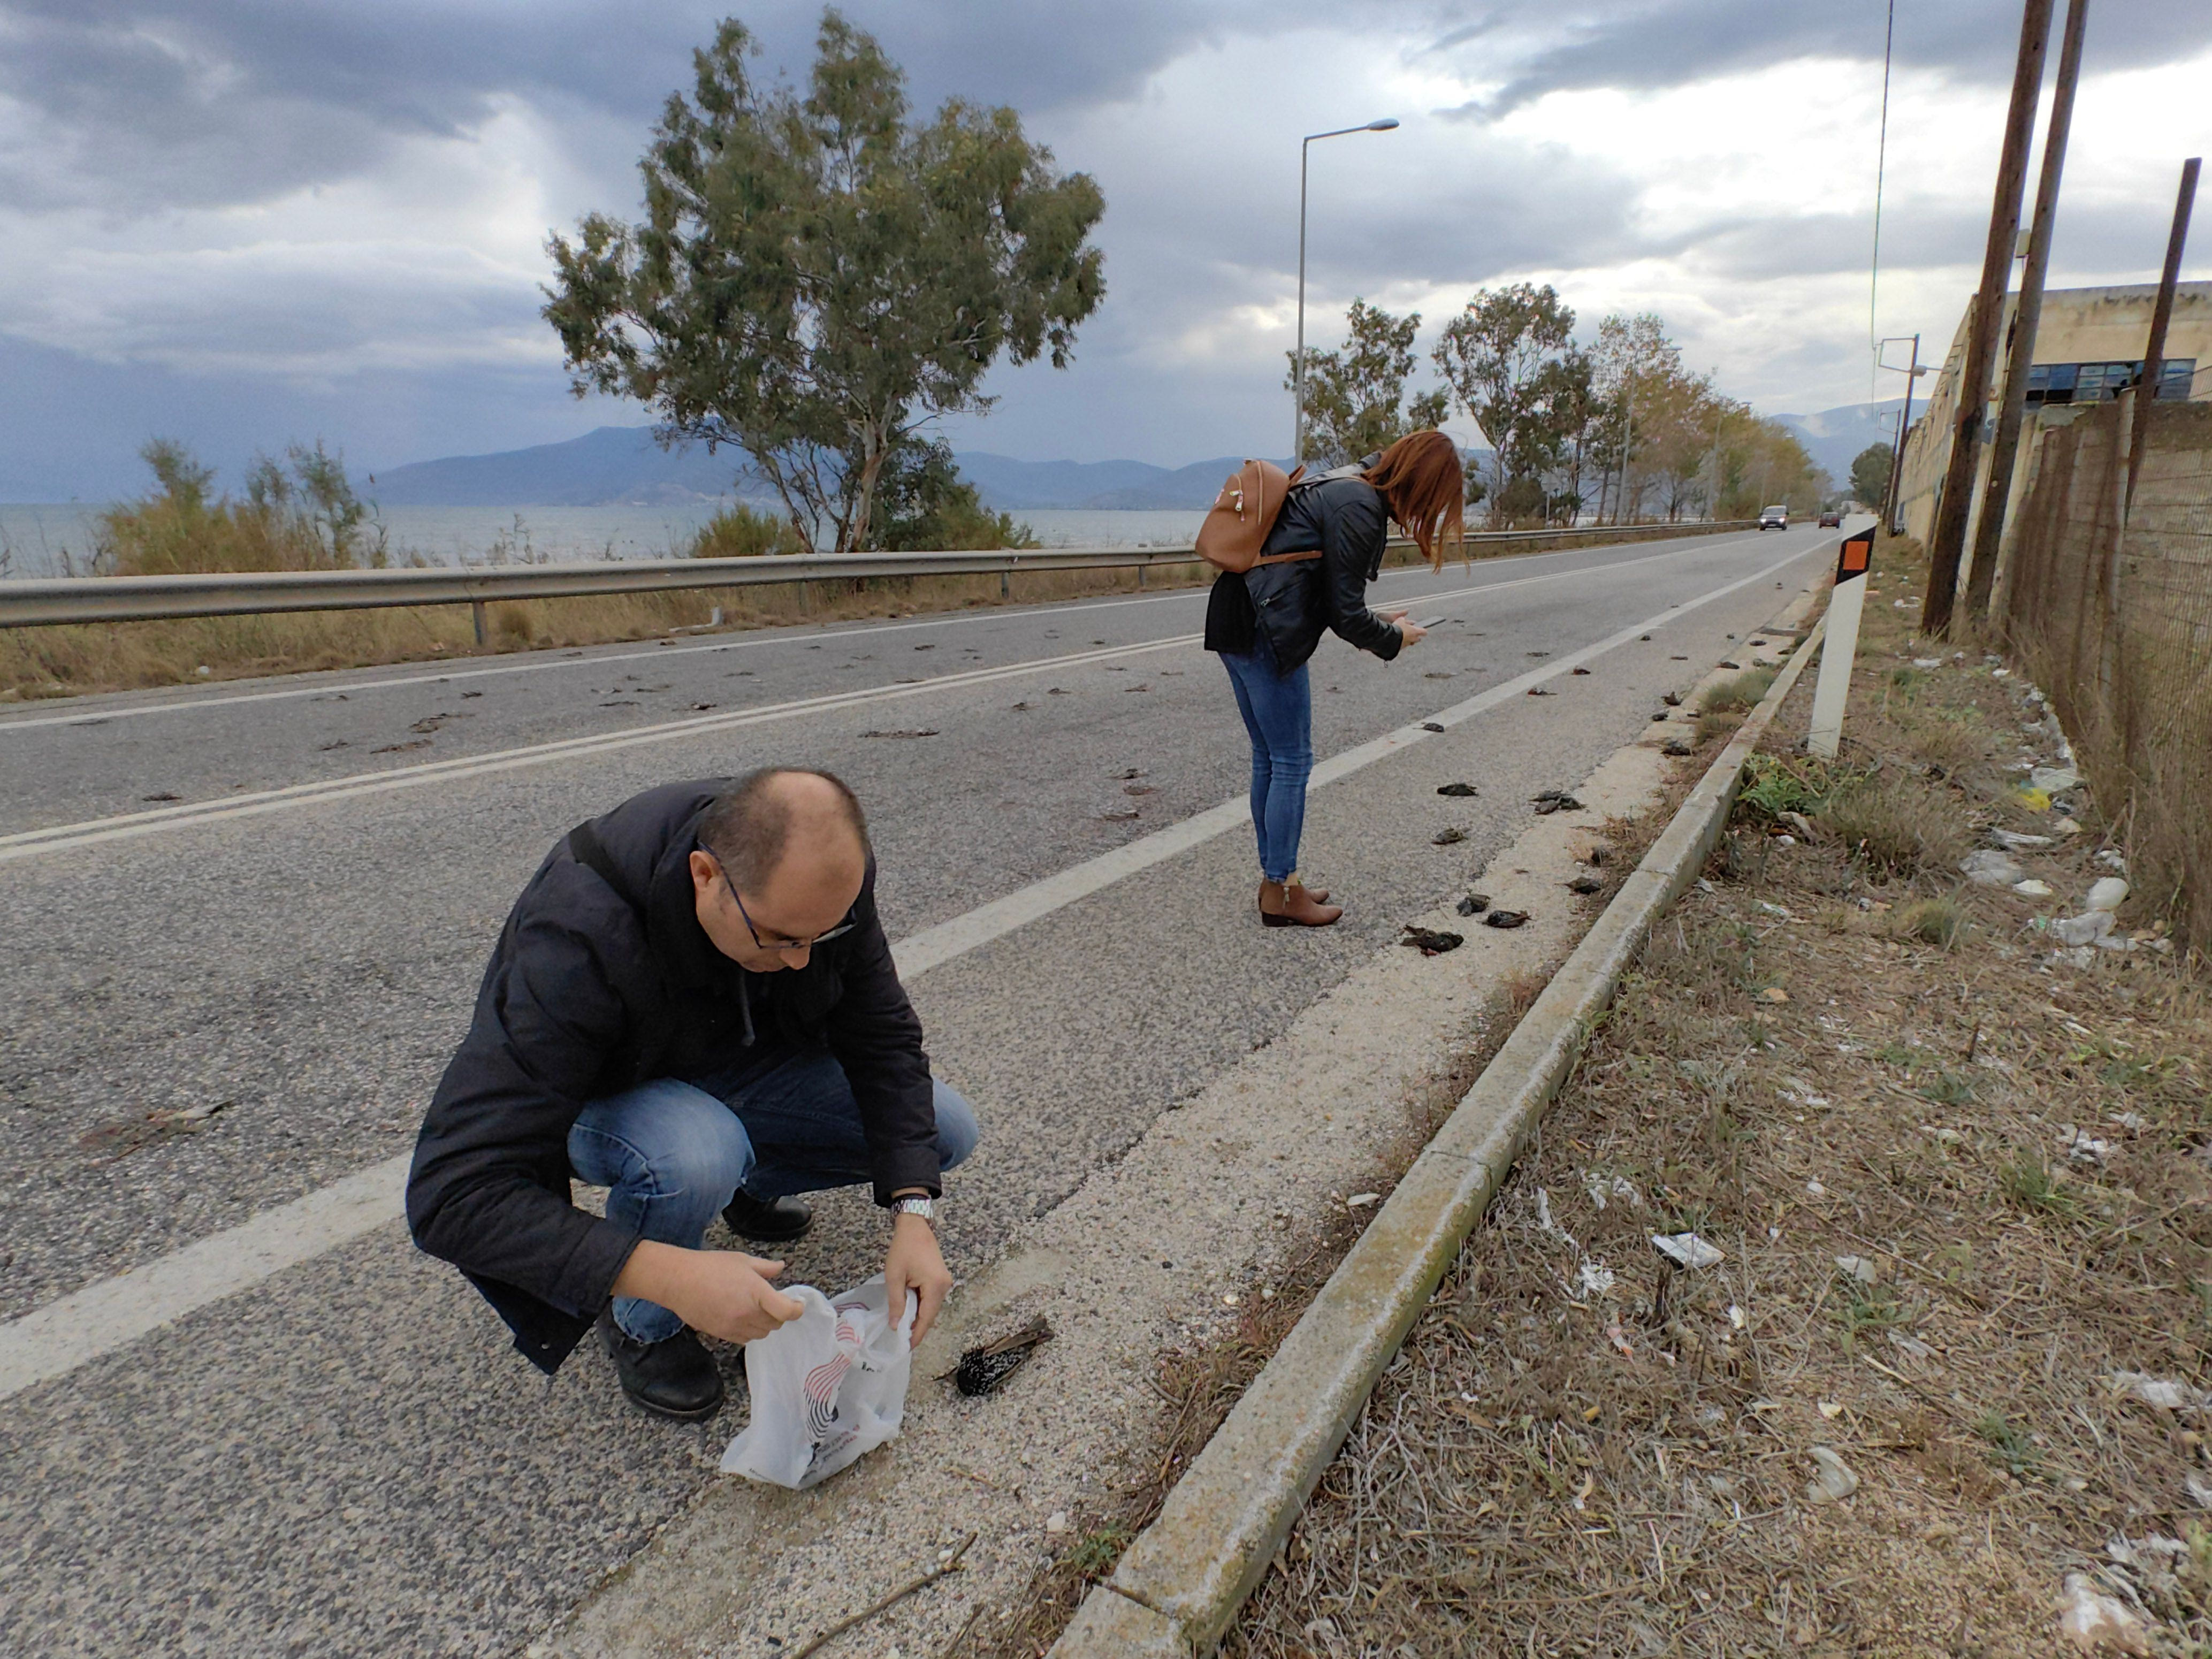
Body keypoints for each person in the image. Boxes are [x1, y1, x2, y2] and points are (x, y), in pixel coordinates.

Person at [406, 769, 978, 1423]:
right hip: (609, 1090)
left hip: (728, 1050)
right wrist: (664, 1274)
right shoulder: (576, 933)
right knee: (696, 1151)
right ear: (705, 874)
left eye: (819, 939)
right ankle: (641, 1322)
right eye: (782, 937)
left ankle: (740, 1184)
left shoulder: (822, 882)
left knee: (944, 1130)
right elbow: (449, 1192)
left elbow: (882, 1034)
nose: (801, 960)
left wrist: (912, 1209)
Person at [1202, 429, 1466, 927]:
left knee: (1271, 756)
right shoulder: (1361, 506)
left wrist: (1381, 621)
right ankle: (1281, 888)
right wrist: (1394, 640)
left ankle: (1278, 882)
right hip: (1265, 627)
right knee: (1292, 760)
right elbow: (1346, 615)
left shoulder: (1343, 483)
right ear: (1424, 485)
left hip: (1236, 613)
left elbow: (1318, 583)